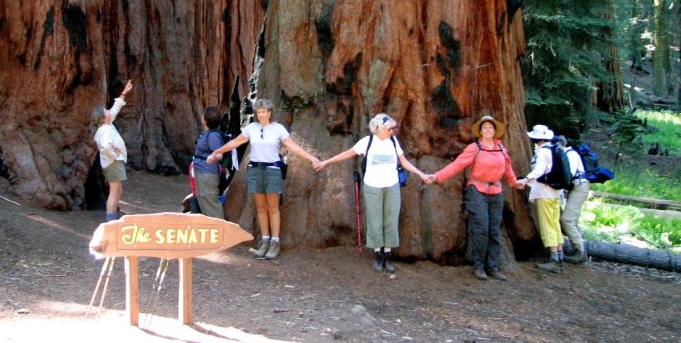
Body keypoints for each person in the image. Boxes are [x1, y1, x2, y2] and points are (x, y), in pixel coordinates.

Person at [206, 98, 320, 260]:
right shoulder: (252, 128)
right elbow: (235, 142)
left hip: (272, 170)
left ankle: (275, 242)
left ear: (270, 113)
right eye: (258, 112)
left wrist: (312, 158)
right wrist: (216, 152)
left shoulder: (278, 129)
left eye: (263, 112)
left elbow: (292, 146)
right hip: (255, 169)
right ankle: (265, 240)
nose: (260, 115)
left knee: (273, 207)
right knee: (260, 207)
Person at [316, 113, 427, 274]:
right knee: (375, 221)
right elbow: (347, 154)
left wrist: (421, 174)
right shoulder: (367, 142)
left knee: (390, 219)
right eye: (389, 128)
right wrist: (326, 162)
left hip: (392, 186)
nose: (392, 131)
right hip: (372, 186)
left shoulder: (393, 142)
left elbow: (404, 162)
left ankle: (388, 254)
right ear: (379, 128)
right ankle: (377, 254)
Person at [426, 115, 524, 281]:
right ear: (480, 131)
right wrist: (437, 176)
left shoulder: (500, 148)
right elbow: (457, 165)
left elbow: (507, 168)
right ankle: (479, 266)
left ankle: (493, 267)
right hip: (477, 190)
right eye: (485, 127)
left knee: (494, 230)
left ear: (494, 131)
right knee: (481, 229)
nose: (488, 130)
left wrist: (514, 183)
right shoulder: (474, 148)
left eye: (490, 128)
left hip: (496, 192)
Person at [516, 125, 563, 273]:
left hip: (544, 193)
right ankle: (560, 256)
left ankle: (554, 259)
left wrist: (525, 180)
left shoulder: (542, 152)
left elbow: (539, 170)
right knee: (555, 224)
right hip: (556, 192)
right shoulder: (555, 150)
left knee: (547, 224)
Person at [92, 79, 133, 222]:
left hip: (113, 163)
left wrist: (124, 93)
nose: (109, 111)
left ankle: (112, 219)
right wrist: (115, 155)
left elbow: (115, 108)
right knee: (115, 192)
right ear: (103, 118)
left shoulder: (107, 125)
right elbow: (105, 147)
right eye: (106, 111)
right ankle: (110, 221)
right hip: (113, 163)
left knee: (118, 191)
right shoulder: (104, 130)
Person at [557, 135, 590, 264]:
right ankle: (577, 249)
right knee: (572, 219)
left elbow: (568, 174)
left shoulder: (570, 154)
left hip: (580, 187)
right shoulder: (568, 153)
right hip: (576, 187)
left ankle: (580, 251)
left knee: (567, 219)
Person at [191, 106, 226, 219]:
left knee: (210, 202)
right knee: (203, 200)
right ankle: (211, 231)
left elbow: (220, 154)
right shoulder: (207, 133)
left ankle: (221, 231)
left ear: (204, 119)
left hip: (208, 173)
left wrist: (212, 157)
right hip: (200, 170)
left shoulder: (213, 136)